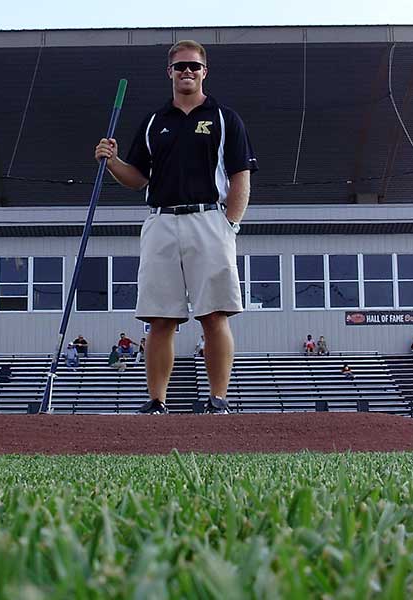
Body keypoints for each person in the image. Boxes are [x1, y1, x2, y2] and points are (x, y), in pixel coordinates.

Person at [95, 40, 257, 415]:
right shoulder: (155, 121)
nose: (187, 72)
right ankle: (157, 401)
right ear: (169, 72)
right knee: (160, 317)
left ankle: (218, 399)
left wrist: (229, 224)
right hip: (161, 220)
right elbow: (137, 178)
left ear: (205, 71)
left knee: (214, 314)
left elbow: (240, 176)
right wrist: (112, 160)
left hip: (208, 219)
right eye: (180, 66)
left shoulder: (224, 118)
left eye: (194, 67)